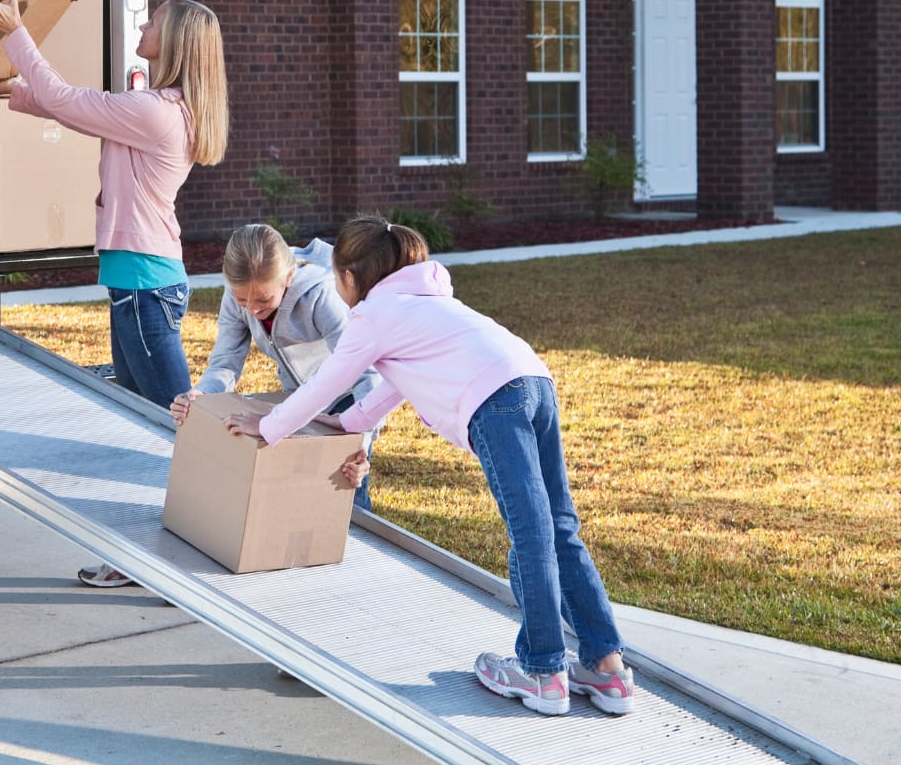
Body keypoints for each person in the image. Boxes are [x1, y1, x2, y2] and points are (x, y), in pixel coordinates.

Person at [223, 216, 638, 717]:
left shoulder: (374, 315)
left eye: (336, 276)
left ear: (351, 277)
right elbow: (396, 385)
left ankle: (543, 671)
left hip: (495, 400)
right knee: (560, 526)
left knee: (530, 533)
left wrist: (267, 428)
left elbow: (323, 384)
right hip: (534, 380)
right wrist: (348, 423)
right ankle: (607, 668)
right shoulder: (428, 301)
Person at [0, 0, 228, 589]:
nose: (145, 22)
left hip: (144, 285)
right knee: (141, 426)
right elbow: (67, 107)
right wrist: (5, 91)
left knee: (175, 430)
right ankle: (143, 557)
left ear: (177, 42)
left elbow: (67, 98)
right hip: (138, 283)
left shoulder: (158, 112)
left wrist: (15, 31)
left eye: (155, 19)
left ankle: (191, 561)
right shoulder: (157, 107)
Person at [168, 224, 385, 510]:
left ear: (289, 277)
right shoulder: (238, 299)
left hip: (347, 400)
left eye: (264, 299)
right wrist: (202, 395)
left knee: (346, 497)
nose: (253, 309)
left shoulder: (320, 296)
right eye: (242, 299)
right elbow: (225, 363)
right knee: (301, 493)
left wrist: (363, 443)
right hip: (297, 399)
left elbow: (366, 373)